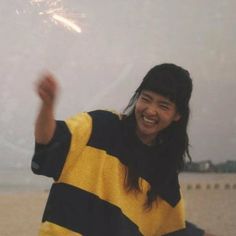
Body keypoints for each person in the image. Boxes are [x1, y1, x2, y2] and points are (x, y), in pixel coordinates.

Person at [32, 63, 215, 236]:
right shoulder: (99, 127)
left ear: (177, 115)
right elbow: (49, 141)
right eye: (146, 99)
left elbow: (170, 230)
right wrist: (47, 106)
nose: (150, 110)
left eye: (163, 106)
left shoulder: (165, 178)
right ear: (137, 98)